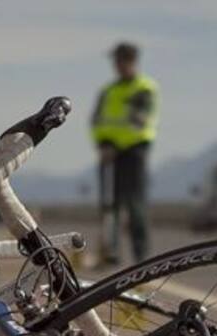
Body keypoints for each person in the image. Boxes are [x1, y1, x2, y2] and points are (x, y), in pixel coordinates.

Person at [91, 42, 159, 265]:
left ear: (131, 61)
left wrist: (115, 146)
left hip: (134, 151)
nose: (117, 65)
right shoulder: (108, 91)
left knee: (135, 204)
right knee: (110, 205)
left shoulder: (144, 88)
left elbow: (139, 121)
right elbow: (97, 121)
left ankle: (141, 255)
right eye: (115, 61)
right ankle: (111, 253)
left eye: (120, 61)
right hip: (108, 153)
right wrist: (103, 144)